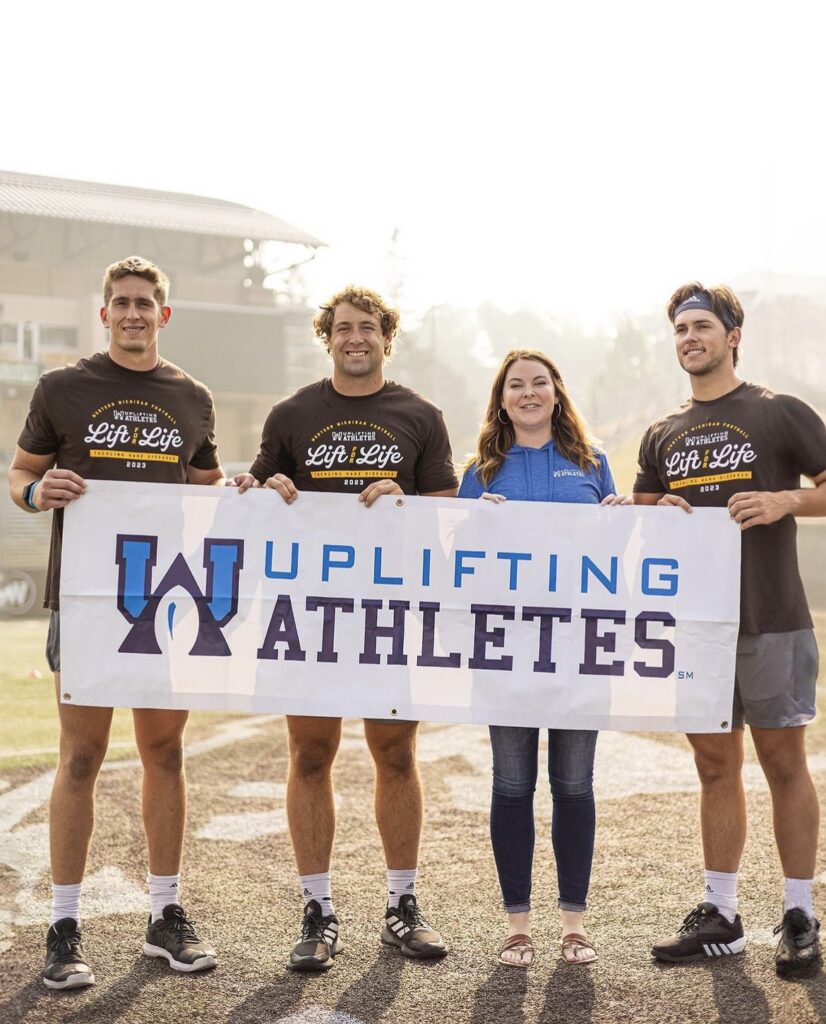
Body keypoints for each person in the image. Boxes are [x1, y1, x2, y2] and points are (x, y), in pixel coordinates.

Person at [8, 256, 224, 989]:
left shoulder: (191, 397)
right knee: (80, 757)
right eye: (121, 302)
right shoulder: (63, 388)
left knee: (164, 750)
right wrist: (41, 489)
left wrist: (253, 492)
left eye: (146, 303)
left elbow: (209, 494)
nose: (133, 313)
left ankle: (165, 914)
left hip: (166, 603)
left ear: (165, 315)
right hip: (88, 599)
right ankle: (64, 925)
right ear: (105, 314)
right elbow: (19, 476)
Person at [232, 285, 458, 971]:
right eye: (342, 328)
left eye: (368, 328)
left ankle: (402, 904)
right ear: (326, 338)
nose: (354, 338)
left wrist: (407, 499)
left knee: (394, 755)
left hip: (389, 612)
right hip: (308, 614)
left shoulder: (421, 415)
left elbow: (447, 515)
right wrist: (264, 491)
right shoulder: (292, 413)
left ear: (388, 338)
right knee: (309, 755)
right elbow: (256, 499)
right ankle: (317, 909)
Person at [634, 282, 826, 978]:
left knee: (783, 766)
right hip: (696, 626)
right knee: (714, 766)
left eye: (702, 326)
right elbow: (647, 517)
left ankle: (801, 914)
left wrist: (786, 500)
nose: (690, 337)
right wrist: (642, 510)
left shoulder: (778, 412)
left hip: (773, 616)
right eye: (681, 329)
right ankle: (722, 914)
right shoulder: (663, 431)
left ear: (732, 335)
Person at [458, 349, 629, 968]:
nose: (528, 393)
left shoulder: (592, 464)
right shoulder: (480, 471)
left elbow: (619, 561)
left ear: (557, 393)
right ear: (501, 399)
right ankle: (517, 927)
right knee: (511, 784)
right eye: (515, 386)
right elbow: (458, 562)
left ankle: (575, 925)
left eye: (539, 383)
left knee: (574, 784)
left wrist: (620, 521)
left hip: (580, 650)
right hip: (505, 651)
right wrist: (471, 523)